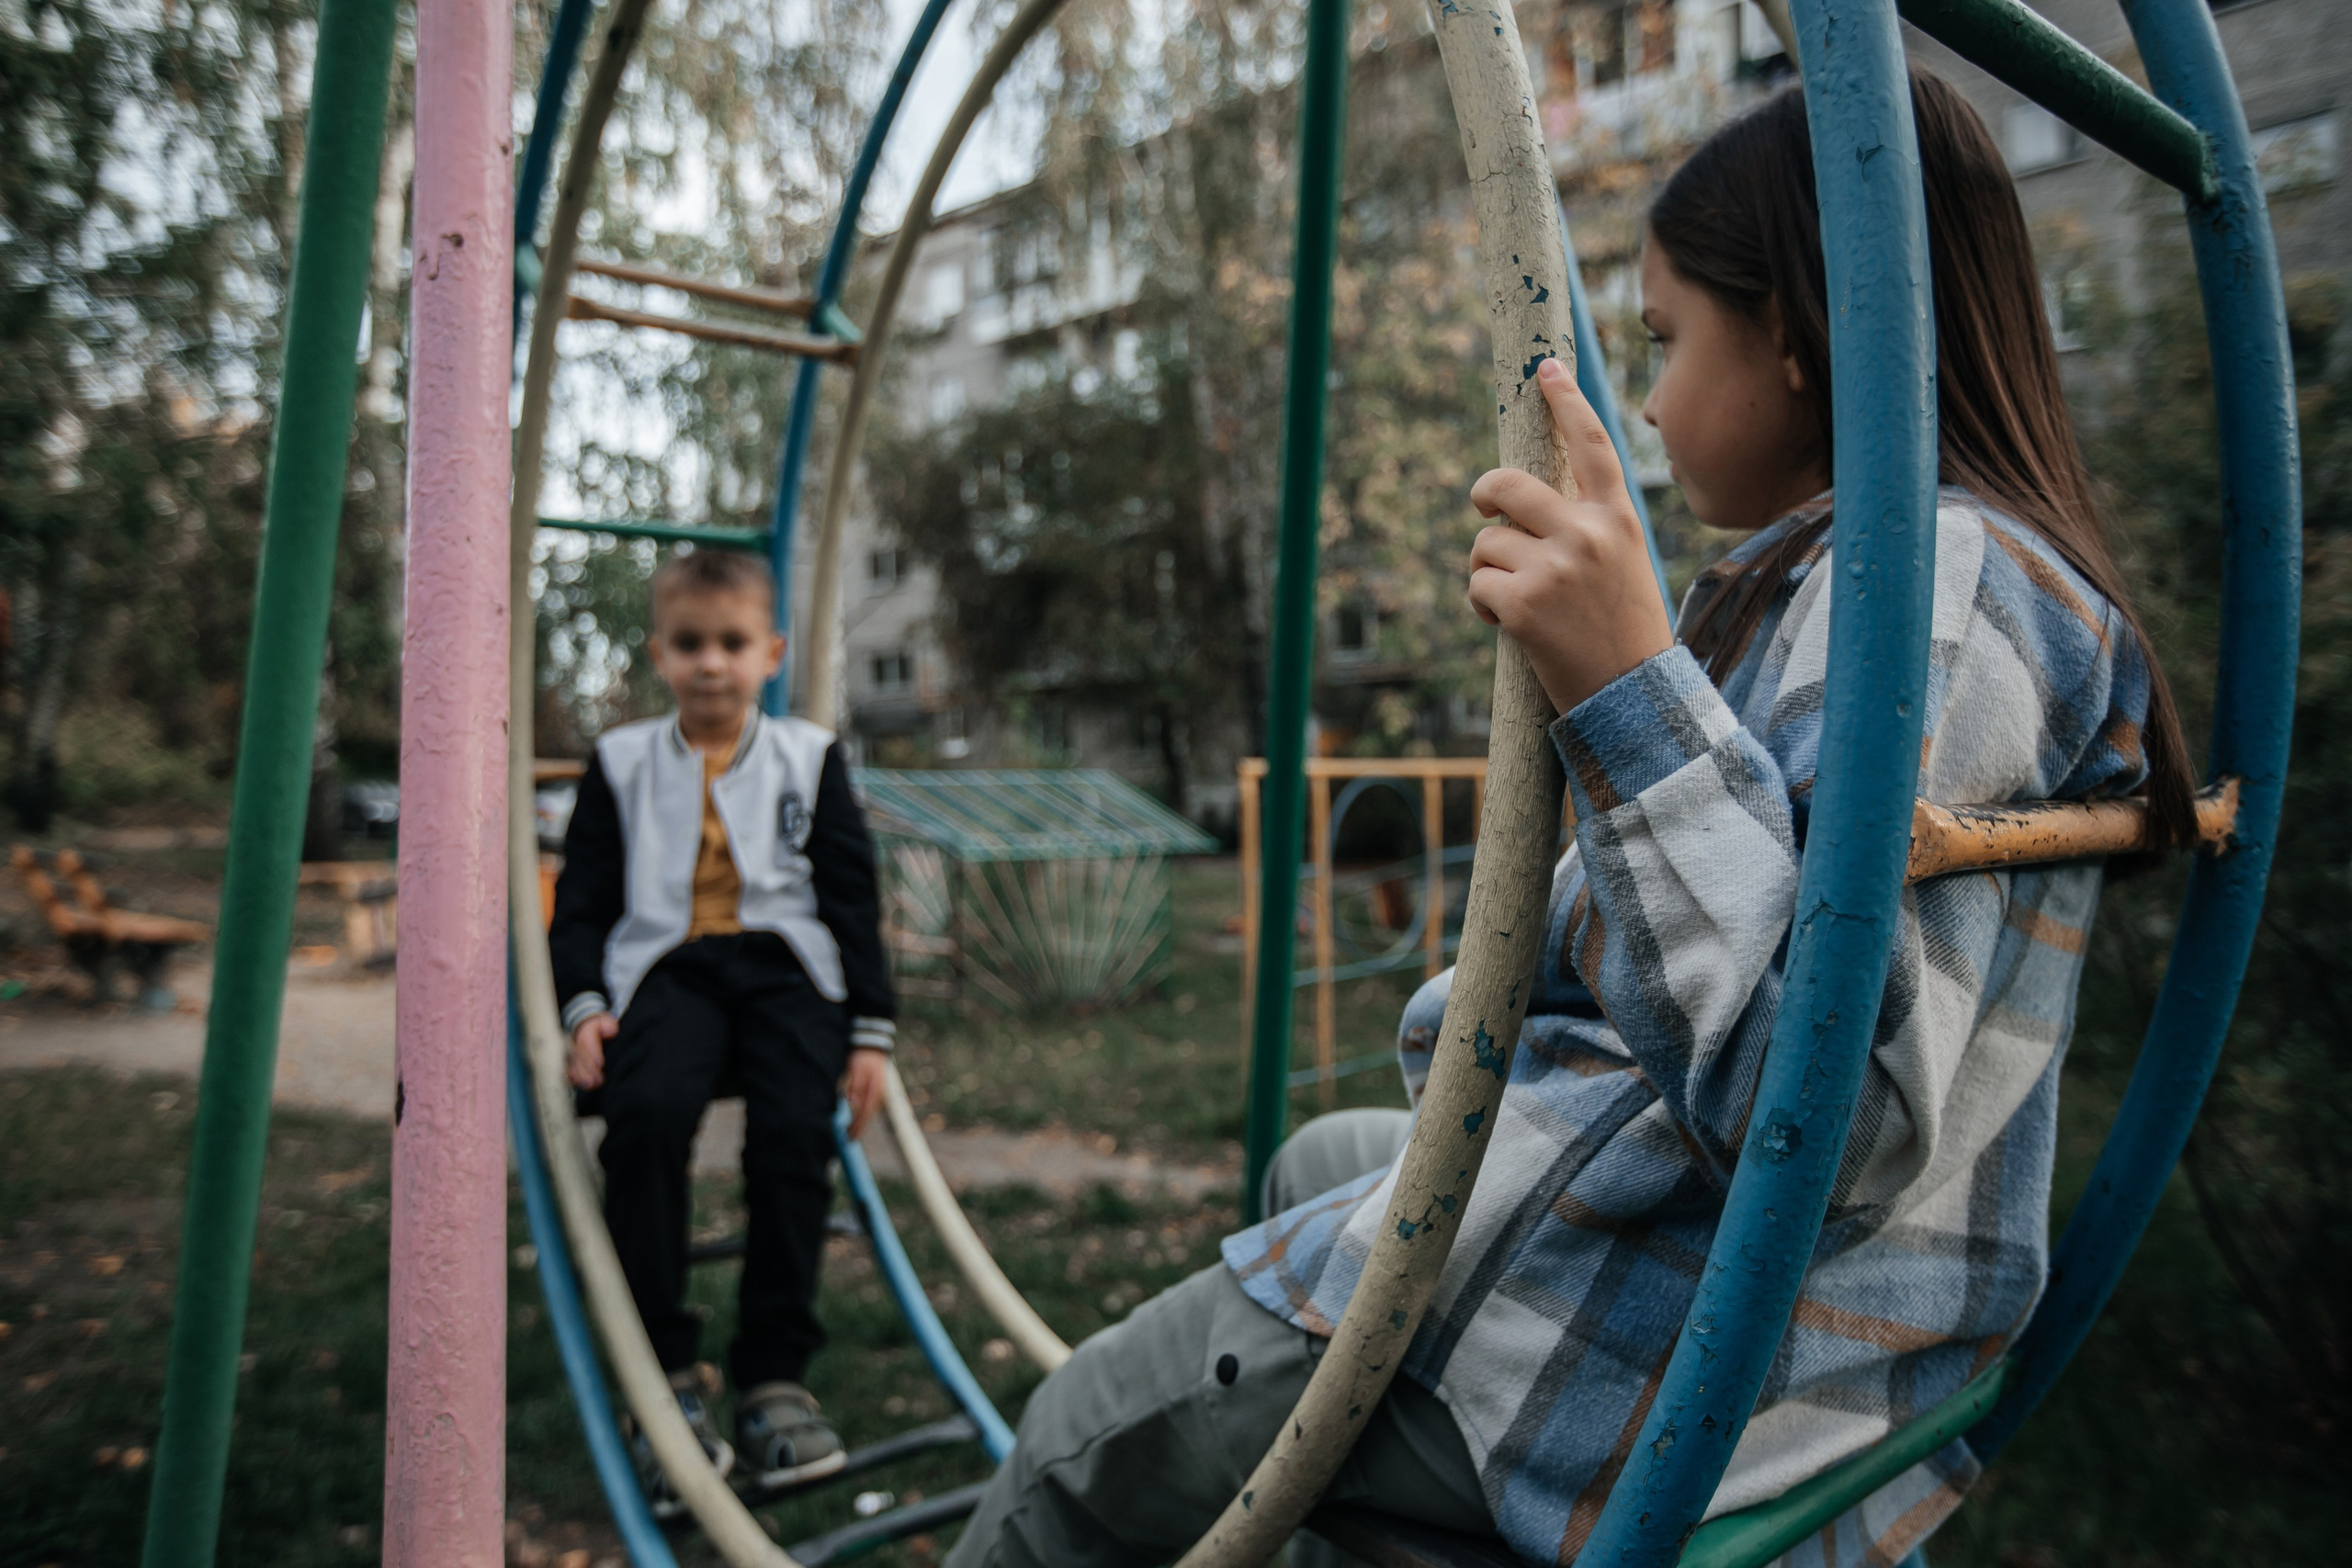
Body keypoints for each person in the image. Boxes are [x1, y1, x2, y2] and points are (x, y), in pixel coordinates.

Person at [944, 67, 2194, 1568]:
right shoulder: (1877, 571)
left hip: (1680, 1352)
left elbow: (1828, 1118)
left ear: (1794, 334)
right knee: (1314, 1162)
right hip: (1747, 1281)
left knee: (1075, 1449)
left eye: (1667, 341)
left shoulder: (1938, 590)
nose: (1649, 398)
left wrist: (1625, 685)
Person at [549, 547, 897, 1512]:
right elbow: (580, 904)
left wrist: (867, 1030)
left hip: (786, 970)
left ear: (770, 653)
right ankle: (661, 1372)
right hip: (667, 969)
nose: (711, 663)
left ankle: (775, 1374)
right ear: (659, 653)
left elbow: (848, 894)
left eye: (732, 643)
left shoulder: (807, 755)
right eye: (691, 644)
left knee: (793, 1131)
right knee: (647, 1116)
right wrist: (581, 1006)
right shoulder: (620, 762)